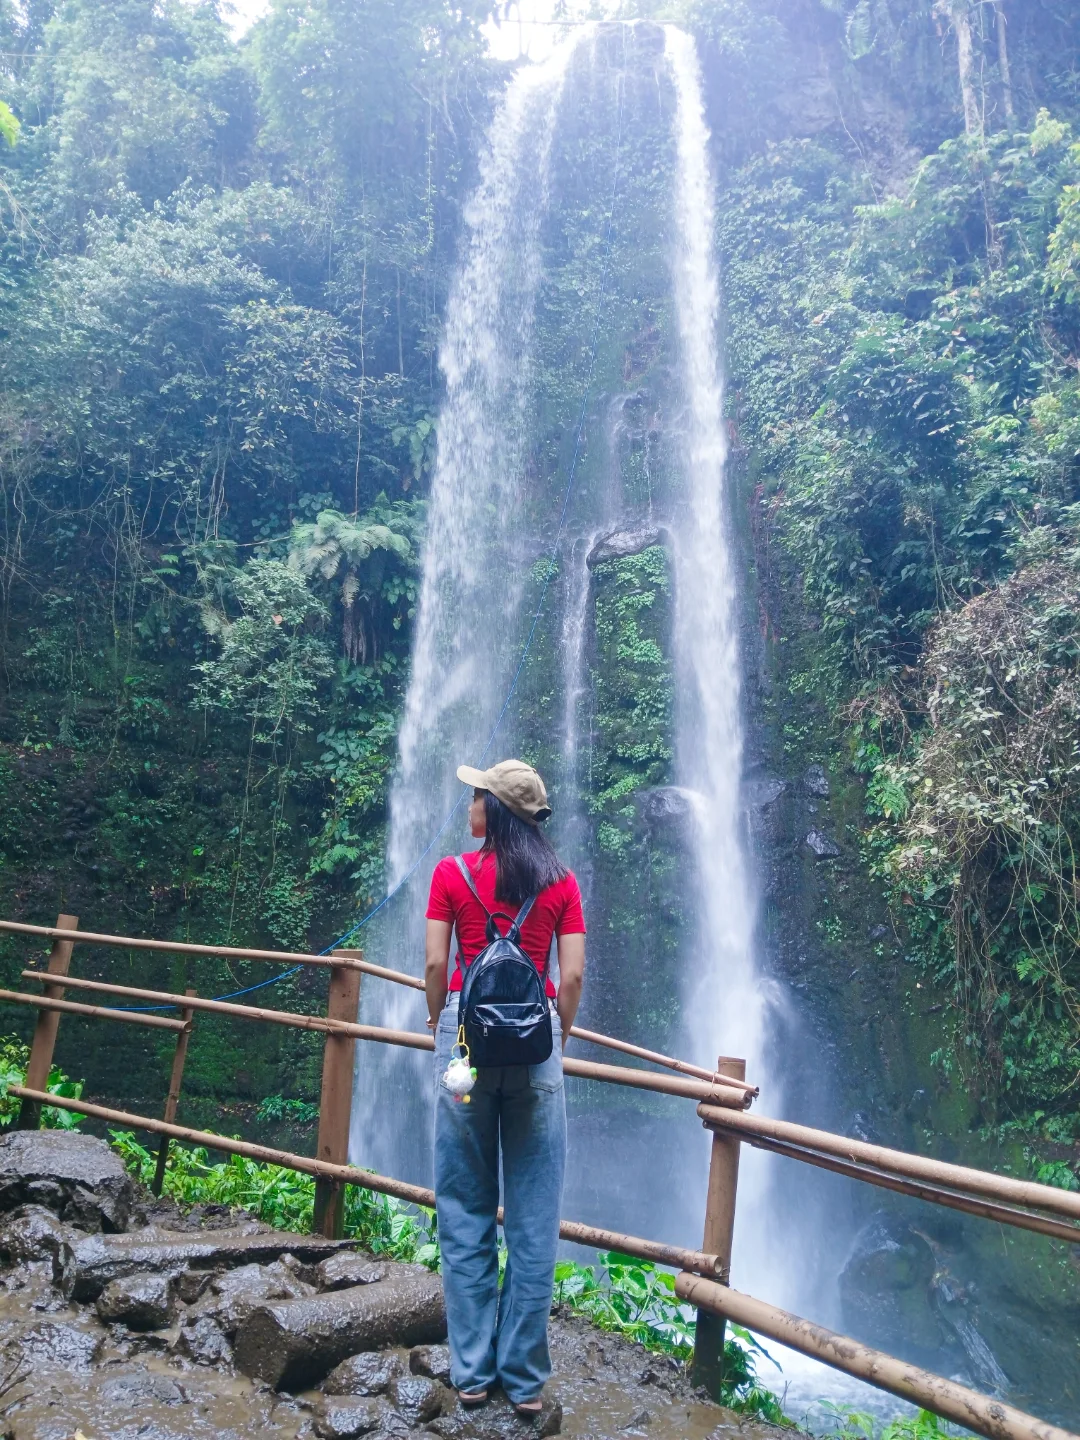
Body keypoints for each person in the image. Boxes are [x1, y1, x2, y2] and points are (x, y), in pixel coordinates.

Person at [425, 758, 586, 1415]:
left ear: (495, 811)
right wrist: (558, 1035)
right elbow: (570, 978)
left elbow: (437, 962)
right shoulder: (562, 884)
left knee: (463, 1206)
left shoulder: (450, 874)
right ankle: (522, 1380)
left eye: (478, 794)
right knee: (534, 1215)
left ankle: (470, 1371)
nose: (471, 801)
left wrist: (435, 1019)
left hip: (464, 1040)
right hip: (536, 1048)